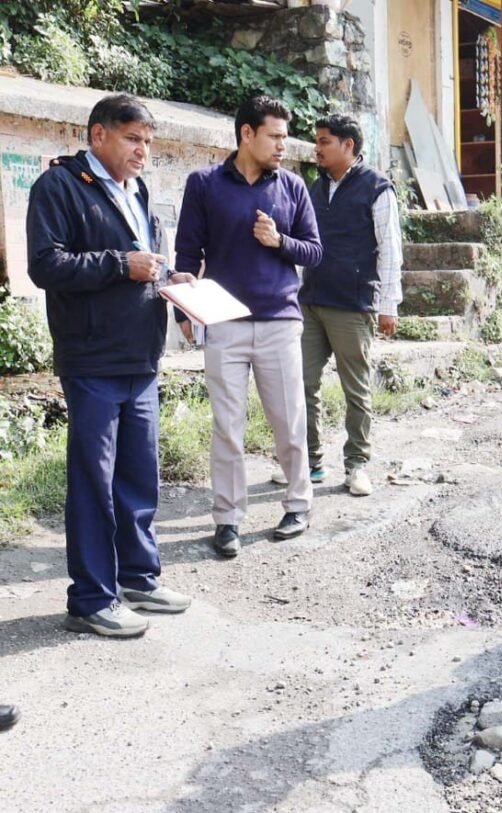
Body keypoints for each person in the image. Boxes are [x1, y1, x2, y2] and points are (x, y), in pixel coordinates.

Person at [27, 93, 194, 637]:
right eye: (132, 139)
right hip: (92, 358)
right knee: (94, 484)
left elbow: (149, 264)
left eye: (148, 141)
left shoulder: (138, 190)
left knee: (138, 477)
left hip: (140, 357)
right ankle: (91, 599)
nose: (142, 151)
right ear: (98, 135)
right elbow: (46, 265)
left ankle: (139, 578)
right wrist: (121, 264)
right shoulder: (60, 186)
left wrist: (172, 279)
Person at [175, 94, 323, 558]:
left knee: (289, 422)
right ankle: (227, 519)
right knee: (227, 428)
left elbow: (315, 251)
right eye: (274, 136)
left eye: (285, 137)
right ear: (246, 133)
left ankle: (298, 504)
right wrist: (183, 311)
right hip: (223, 323)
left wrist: (280, 241)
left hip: (280, 322)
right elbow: (187, 252)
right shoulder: (204, 184)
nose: (282, 145)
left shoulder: (293, 187)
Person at [270, 113, 401, 497]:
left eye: (324, 141)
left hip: (353, 304)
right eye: (317, 141)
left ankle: (357, 464)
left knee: (355, 389)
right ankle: (308, 463)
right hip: (311, 300)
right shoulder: (315, 187)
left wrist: (389, 304)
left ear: (348, 145)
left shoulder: (377, 188)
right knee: (301, 383)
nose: (317, 148)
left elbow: (390, 249)